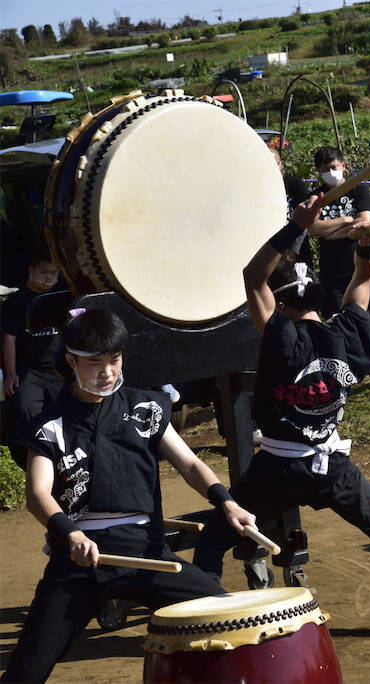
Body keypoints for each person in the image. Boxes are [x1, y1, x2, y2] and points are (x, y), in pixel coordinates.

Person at [192, 197, 370, 633]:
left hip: (278, 468)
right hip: (333, 467)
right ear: (321, 300)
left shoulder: (279, 334)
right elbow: (363, 279)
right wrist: (364, 248)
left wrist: (297, 227)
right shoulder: (346, 332)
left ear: (280, 303)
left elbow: (252, 277)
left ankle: (206, 620)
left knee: (214, 537)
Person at [1, 308, 255, 683]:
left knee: (227, 617)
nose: (107, 371)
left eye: (114, 359)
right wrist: (70, 534)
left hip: (145, 550)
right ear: (71, 361)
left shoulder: (146, 407)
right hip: (79, 558)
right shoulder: (49, 427)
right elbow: (38, 494)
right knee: (26, 670)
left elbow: (189, 464)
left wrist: (226, 502)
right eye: (94, 362)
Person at [309, 145, 370, 370]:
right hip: (332, 267)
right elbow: (313, 227)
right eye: (324, 169)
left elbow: (364, 220)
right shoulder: (318, 197)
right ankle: (346, 360)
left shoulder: (358, 190)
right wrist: (346, 222)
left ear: (343, 166)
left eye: (334, 167)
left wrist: (332, 229)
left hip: (360, 261)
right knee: (337, 316)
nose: (330, 172)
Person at [2, 254, 65, 466]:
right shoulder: (15, 302)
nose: (49, 278)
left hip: (60, 368)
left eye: (54, 273)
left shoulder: (62, 298)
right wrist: (11, 373)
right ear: (31, 271)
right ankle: (37, 461)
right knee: (26, 409)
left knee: (69, 409)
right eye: (44, 272)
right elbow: (8, 339)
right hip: (30, 371)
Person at [269, 143, 313, 264]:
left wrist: (293, 250)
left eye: (274, 164)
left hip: (295, 251)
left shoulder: (295, 185)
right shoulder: (257, 187)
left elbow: (305, 219)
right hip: (269, 251)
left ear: (281, 165)